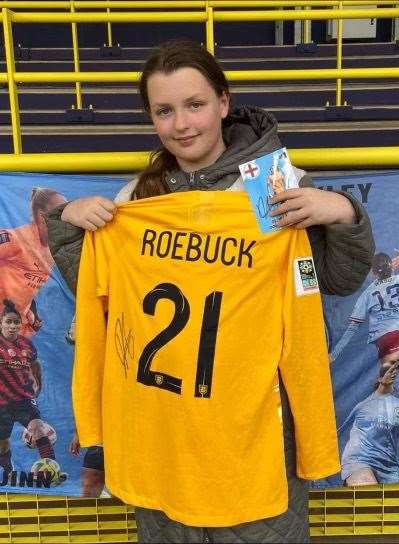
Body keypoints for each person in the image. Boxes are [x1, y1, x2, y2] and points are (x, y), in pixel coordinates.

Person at [46, 41, 375, 544]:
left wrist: (344, 215)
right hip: (164, 433)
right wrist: (70, 224)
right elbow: (107, 297)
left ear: (224, 102)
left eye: (195, 104)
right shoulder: (141, 197)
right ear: (151, 117)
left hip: (252, 433)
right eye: (164, 110)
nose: (182, 124)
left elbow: (335, 281)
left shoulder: (271, 185)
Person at [0, 299, 64, 483]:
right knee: (2, 445)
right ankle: (8, 471)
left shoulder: (27, 345)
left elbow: (35, 366)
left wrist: (39, 384)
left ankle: (52, 474)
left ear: (20, 324)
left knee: (38, 429)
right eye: (8, 322)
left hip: (24, 399)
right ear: (1, 323)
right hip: (2, 403)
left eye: (16, 322)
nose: (12, 326)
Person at [0, 187, 66, 337]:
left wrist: (31, 309)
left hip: (17, 326)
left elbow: (27, 283)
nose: (67, 218)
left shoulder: (52, 249)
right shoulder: (16, 238)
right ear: (44, 216)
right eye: (62, 213)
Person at [330, 252, 399, 368]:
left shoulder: (367, 294)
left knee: (386, 379)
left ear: (373, 273)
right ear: (392, 267)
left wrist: (334, 354)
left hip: (386, 336)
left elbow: (353, 327)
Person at [340, 360, 399, 485]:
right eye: (388, 371)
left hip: (388, 467)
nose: (392, 373)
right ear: (380, 378)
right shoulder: (362, 405)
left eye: (394, 371)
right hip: (358, 460)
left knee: (388, 503)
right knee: (367, 491)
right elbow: (337, 431)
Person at [69, 429, 105, 497]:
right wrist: (77, 435)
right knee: (89, 493)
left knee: (121, 495)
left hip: (125, 444)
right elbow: (81, 418)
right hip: (99, 444)